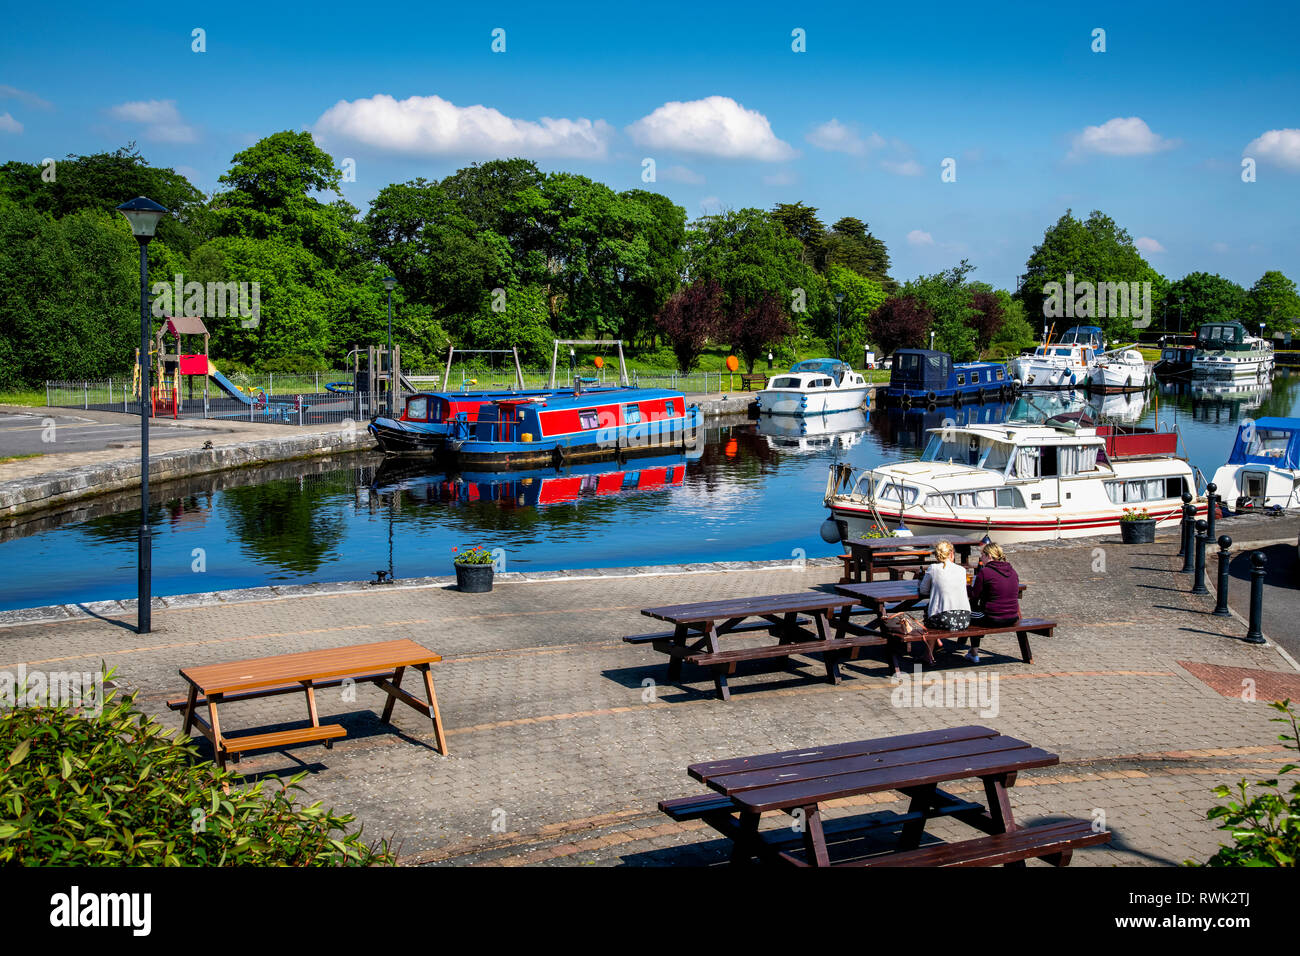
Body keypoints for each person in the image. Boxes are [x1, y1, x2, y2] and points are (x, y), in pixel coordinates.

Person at [916, 540, 970, 634]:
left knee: (928, 613)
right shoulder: (962, 570)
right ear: (951, 554)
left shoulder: (933, 568)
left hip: (944, 618)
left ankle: (932, 647)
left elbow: (923, 590)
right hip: (964, 618)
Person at [968, 542, 1020, 626]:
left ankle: (973, 638)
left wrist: (965, 586)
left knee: (964, 615)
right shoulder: (1013, 571)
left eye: (982, 555)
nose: (981, 558)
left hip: (993, 617)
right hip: (1013, 617)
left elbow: (974, 594)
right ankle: (975, 638)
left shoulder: (985, 572)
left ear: (989, 556)